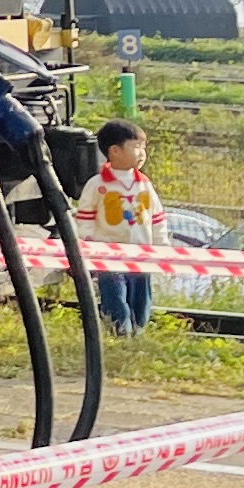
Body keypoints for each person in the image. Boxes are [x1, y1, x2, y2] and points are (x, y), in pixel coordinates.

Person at [79, 118, 163, 335]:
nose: (142, 153)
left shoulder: (144, 184)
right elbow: (85, 219)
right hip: (109, 256)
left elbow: (156, 216)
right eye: (136, 147)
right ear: (114, 151)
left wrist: (161, 245)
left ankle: (138, 332)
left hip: (141, 254)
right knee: (115, 297)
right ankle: (119, 332)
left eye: (144, 148)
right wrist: (89, 244)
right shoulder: (97, 185)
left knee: (141, 299)